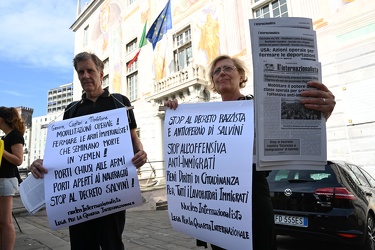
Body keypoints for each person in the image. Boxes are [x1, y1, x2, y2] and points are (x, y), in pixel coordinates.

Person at [164, 54, 336, 250]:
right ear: (212, 81)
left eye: (228, 68)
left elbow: (296, 132)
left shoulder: (260, 108)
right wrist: (174, 114)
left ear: (241, 75)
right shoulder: (204, 117)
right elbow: (188, 152)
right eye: (217, 71)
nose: (222, 73)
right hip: (217, 198)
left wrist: (321, 115)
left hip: (254, 194)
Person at [30, 52, 148, 250]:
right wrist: (41, 161)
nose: (85, 75)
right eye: (80, 72)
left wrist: (141, 153)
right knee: (82, 245)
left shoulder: (119, 101)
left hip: (112, 193)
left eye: (90, 70)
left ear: (101, 73)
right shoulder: (71, 110)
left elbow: (133, 138)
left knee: (112, 244)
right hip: (78, 197)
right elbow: (61, 151)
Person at [0, 106, 26, 250]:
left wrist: (1, 151)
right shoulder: (6, 137)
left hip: (6, 180)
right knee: (2, 221)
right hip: (3, 179)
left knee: (5, 221)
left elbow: (18, 160)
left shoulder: (15, 136)